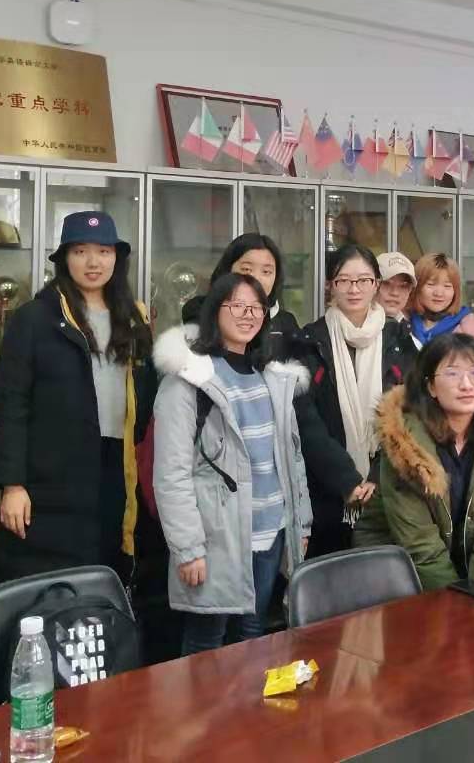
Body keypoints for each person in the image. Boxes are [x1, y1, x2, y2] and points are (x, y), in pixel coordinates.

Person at [151, 272, 312, 654]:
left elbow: (292, 457)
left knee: (254, 635)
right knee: (207, 642)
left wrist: (300, 522)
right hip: (216, 537)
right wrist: (188, 548)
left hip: (270, 532)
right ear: (215, 310)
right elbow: (171, 474)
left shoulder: (272, 377)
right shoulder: (189, 379)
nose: (247, 314)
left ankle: (248, 698)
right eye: (237, 305)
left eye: (256, 307)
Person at [0, 212, 157, 580]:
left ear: (117, 258)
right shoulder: (35, 319)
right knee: (54, 575)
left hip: (118, 463)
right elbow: (10, 405)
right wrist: (12, 484)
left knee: (108, 565)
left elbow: (148, 396)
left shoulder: (133, 319)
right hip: (53, 472)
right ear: (65, 258)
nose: (93, 262)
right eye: (81, 251)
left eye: (104, 251)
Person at [352, 333, 474, 588]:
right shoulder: (406, 444)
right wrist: (463, 603)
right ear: (430, 386)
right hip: (391, 575)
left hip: (456, 573)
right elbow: (420, 549)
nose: (467, 384)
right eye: (452, 373)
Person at [294, 243, 416, 557]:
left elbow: (411, 414)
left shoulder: (400, 340)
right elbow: (306, 419)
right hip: (327, 490)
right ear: (330, 285)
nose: (354, 289)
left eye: (363, 280)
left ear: (376, 284)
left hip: (389, 487)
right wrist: (347, 479)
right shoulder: (309, 341)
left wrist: (377, 476)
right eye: (344, 280)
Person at [181, 233, 299, 363]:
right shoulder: (200, 310)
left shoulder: (286, 323)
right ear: (227, 270)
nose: (256, 278)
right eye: (246, 269)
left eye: (266, 272)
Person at [407, 253, 474, 353]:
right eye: (431, 284)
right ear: (416, 287)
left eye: (447, 286)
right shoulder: (404, 322)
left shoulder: (468, 327)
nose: (439, 293)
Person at [376, 251, 416, 323]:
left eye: (403, 286)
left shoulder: (411, 325)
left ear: (410, 290)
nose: (395, 293)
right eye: (386, 284)